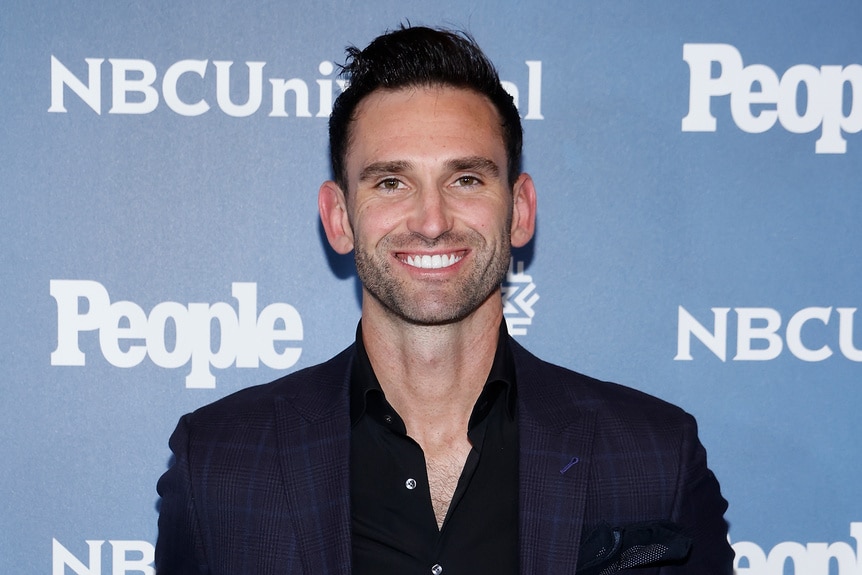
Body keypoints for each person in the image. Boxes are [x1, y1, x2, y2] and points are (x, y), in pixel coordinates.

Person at [155, 25, 733, 574]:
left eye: (466, 179)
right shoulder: (219, 464)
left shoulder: (653, 457)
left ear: (521, 210)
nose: (431, 223)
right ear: (338, 218)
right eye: (390, 182)